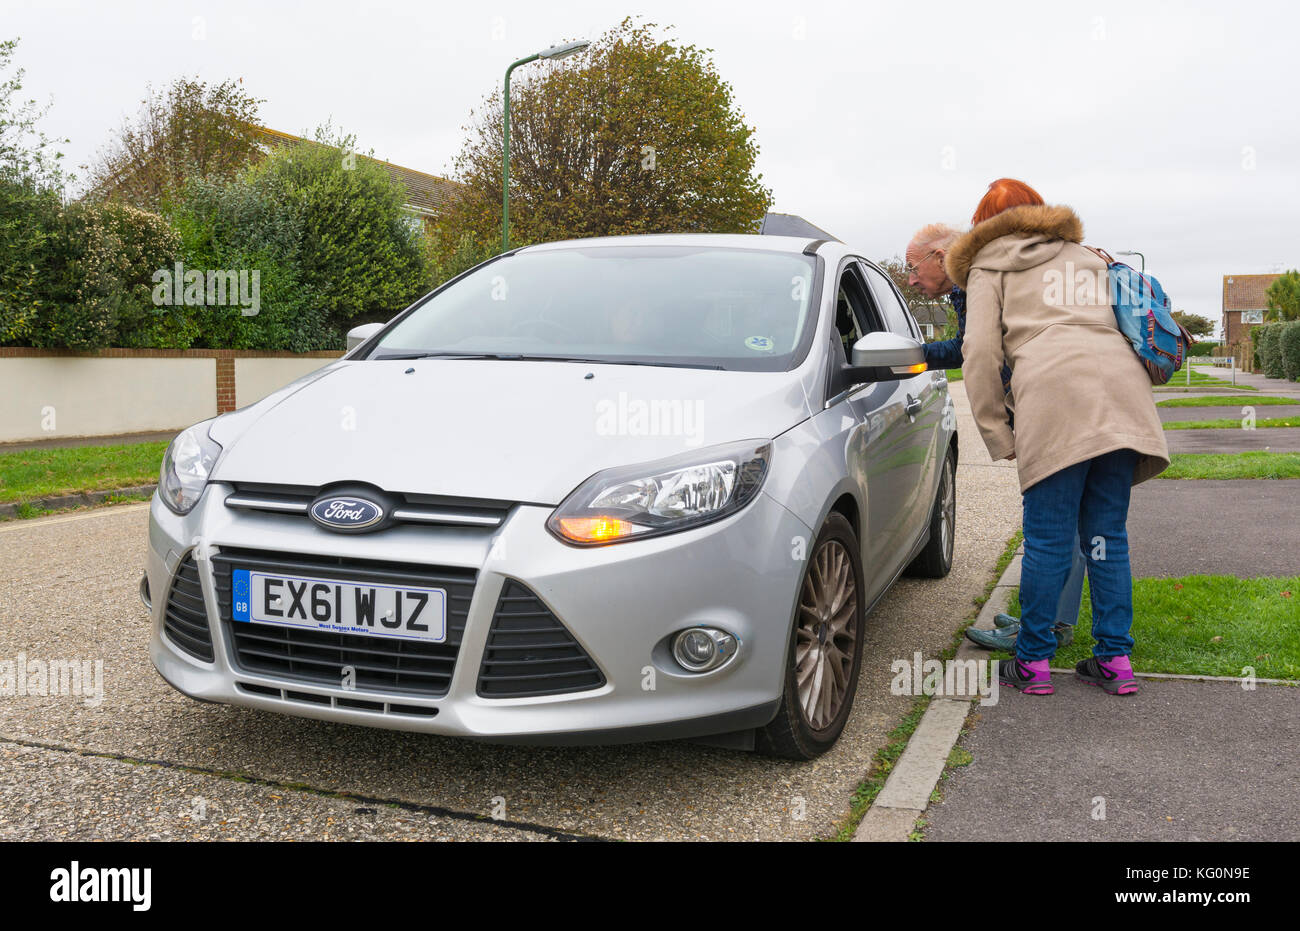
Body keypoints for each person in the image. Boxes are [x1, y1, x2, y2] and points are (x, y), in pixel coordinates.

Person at [945, 179, 1169, 696]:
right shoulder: (1084, 256)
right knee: (1106, 537)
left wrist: (997, 432)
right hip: (1122, 394)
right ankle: (1115, 661)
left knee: (1047, 540)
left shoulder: (988, 265)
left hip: (1054, 397)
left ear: (983, 223)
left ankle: (1033, 663)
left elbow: (978, 352)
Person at [904, 223, 1083, 651]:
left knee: (1053, 523)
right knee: (1071, 523)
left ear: (939, 254)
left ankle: (1046, 630)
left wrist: (915, 355)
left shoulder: (979, 281)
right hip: (1063, 400)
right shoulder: (982, 282)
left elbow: (976, 350)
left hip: (1046, 405)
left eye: (913, 267)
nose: (910, 279)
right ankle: (1047, 620)